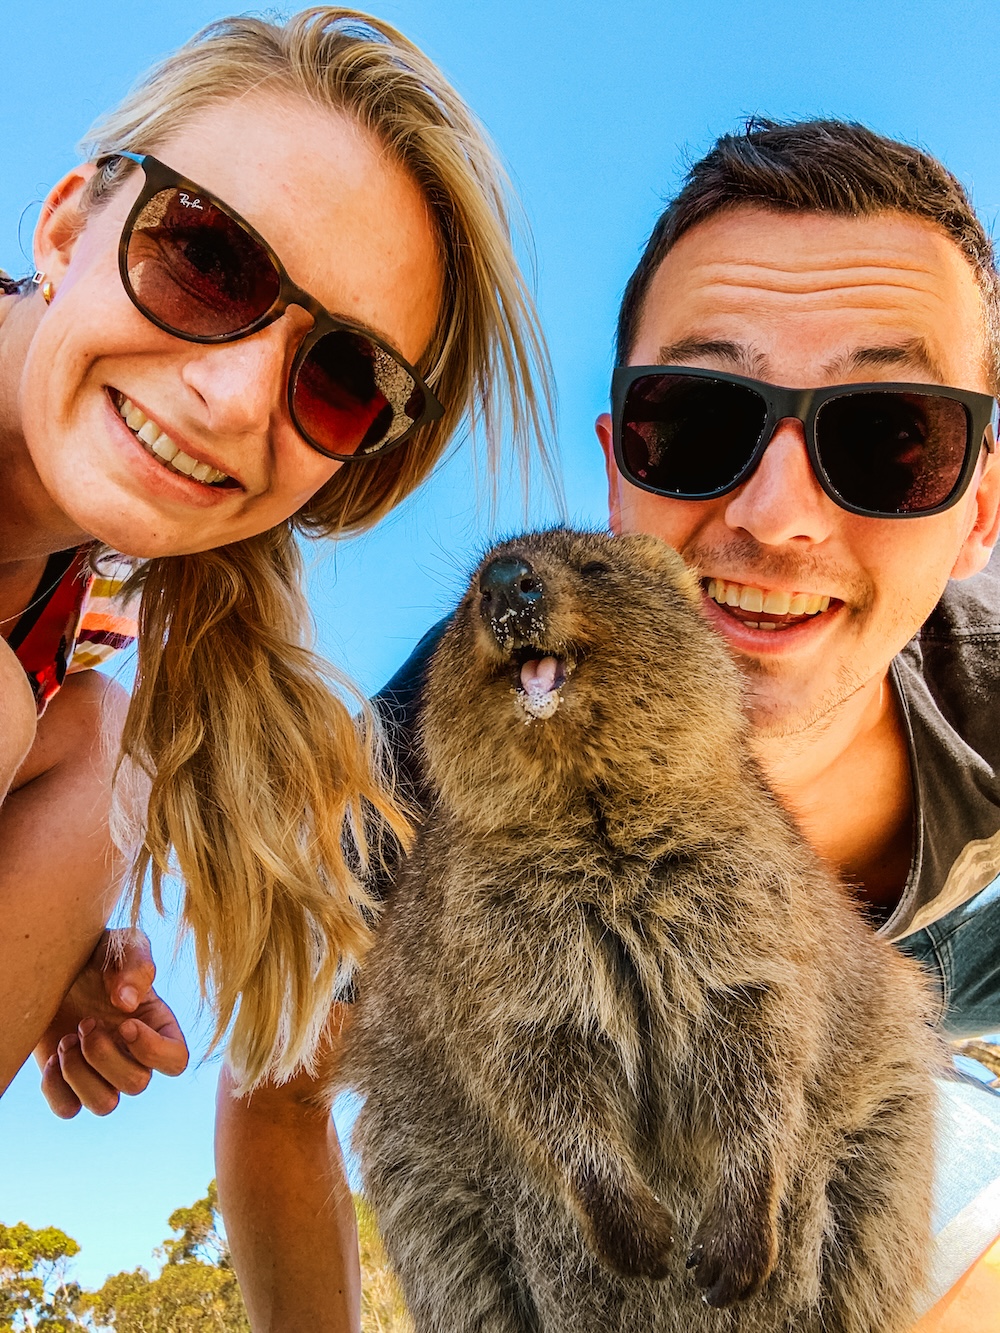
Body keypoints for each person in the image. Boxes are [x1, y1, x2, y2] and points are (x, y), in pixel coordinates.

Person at [214, 119, 1000, 1331]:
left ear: (978, 506)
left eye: (890, 435)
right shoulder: (449, 743)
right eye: (694, 421)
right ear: (620, 464)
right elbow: (277, 1089)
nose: (778, 516)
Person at [1, 5, 552, 1120]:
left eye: (343, 377)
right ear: (66, 231)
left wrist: (43, 914)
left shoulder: (89, 624)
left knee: (104, 751)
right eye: (206, 257)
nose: (237, 398)